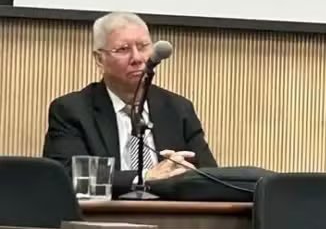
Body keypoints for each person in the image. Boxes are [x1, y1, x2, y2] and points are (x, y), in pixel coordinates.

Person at [43, 12, 216, 190]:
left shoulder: (178, 109)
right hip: (108, 207)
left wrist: (189, 174)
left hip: (169, 207)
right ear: (100, 59)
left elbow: (212, 176)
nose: (137, 59)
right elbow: (67, 174)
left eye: (143, 47)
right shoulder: (72, 110)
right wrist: (144, 177)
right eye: (123, 49)